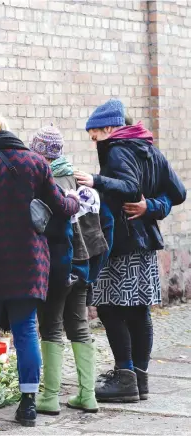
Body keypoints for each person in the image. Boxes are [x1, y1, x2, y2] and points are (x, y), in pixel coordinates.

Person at [0, 108, 80, 433]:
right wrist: (75, 199)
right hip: (29, 263)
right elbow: (62, 208)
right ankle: (29, 407)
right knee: (25, 332)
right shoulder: (36, 163)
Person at [75, 99, 186, 403]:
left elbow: (127, 186)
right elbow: (178, 193)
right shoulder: (150, 150)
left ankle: (126, 378)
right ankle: (139, 379)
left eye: (95, 131)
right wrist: (153, 206)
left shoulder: (118, 149)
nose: (92, 137)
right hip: (145, 242)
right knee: (138, 312)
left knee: (110, 309)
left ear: (111, 128)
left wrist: (95, 180)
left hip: (123, 243)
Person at [28, 125, 109, 416]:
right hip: (83, 264)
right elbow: (100, 228)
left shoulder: (42, 180)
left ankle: (49, 398)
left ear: (39, 153)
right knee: (79, 324)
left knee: (50, 326)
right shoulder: (79, 178)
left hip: (57, 266)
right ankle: (87, 396)